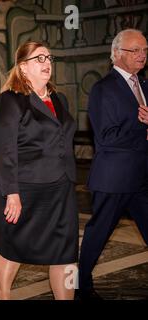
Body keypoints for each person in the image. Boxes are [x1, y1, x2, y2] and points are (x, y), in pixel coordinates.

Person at [0, 41, 78, 300]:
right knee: (15, 244)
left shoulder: (59, 99)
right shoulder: (11, 100)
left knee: (66, 251)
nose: (47, 63)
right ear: (23, 67)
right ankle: (3, 293)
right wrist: (12, 193)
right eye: (39, 59)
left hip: (61, 186)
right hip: (27, 186)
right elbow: (4, 149)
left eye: (49, 58)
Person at [77, 29, 148, 300]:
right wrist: (142, 128)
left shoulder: (145, 85)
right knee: (97, 235)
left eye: (145, 50)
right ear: (117, 54)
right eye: (135, 50)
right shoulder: (103, 89)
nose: (142, 55)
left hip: (141, 177)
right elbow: (106, 138)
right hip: (114, 178)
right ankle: (80, 285)